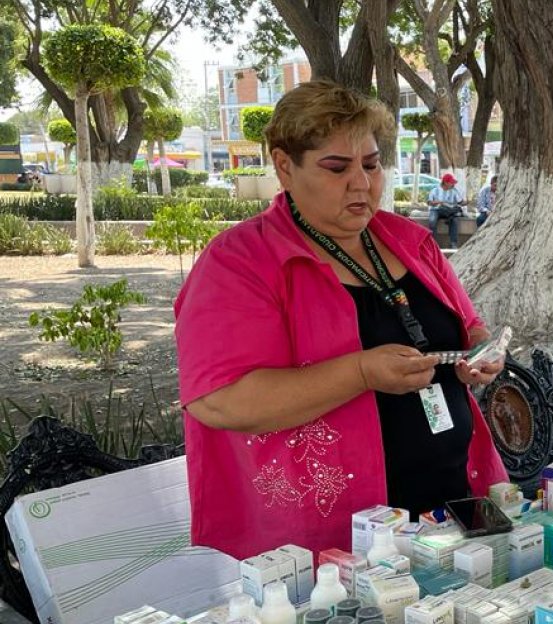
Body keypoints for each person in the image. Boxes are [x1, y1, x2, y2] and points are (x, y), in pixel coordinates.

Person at [174, 80, 509, 559]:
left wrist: (478, 352)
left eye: (371, 165)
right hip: (336, 535)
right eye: (337, 168)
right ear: (284, 167)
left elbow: (467, 325)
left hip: (457, 494)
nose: (362, 183)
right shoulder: (240, 262)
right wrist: (361, 373)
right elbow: (219, 401)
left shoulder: (409, 241)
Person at [428, 173, 466, 248]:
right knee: (432, 221)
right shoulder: (435, 190)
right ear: (445, 182)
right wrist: (437, 202)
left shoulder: (454, 191)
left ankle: (453, 243)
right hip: (436, 209)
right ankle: (434, 244)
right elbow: (429, 202)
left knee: (454, 220)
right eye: (451, 183)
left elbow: (460, 202)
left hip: (449, 211)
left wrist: (467, 201)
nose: (453, 184)